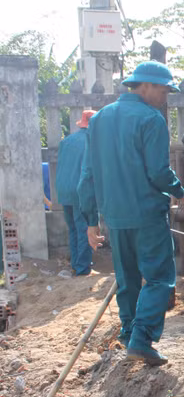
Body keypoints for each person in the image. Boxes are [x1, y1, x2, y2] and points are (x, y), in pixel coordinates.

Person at [78, 61, 184, 366]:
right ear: (146, 86)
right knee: (159, 277)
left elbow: (87, 175)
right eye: (164, 90)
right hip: (147, 213)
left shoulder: (99, 119)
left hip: (114, 217)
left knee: (126, 278)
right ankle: (141, 339)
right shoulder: (151, 119)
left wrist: (90, 220)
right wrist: (179, 190)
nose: (165, 97)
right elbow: (158, 171)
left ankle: (129, 334)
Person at [56, 110, 96, 275]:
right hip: (80, 190)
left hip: (63, 190)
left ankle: (76, 264)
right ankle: (82, 268)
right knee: (84, 228)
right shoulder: (93, 141)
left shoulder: (66, 141)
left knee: (73, 228)